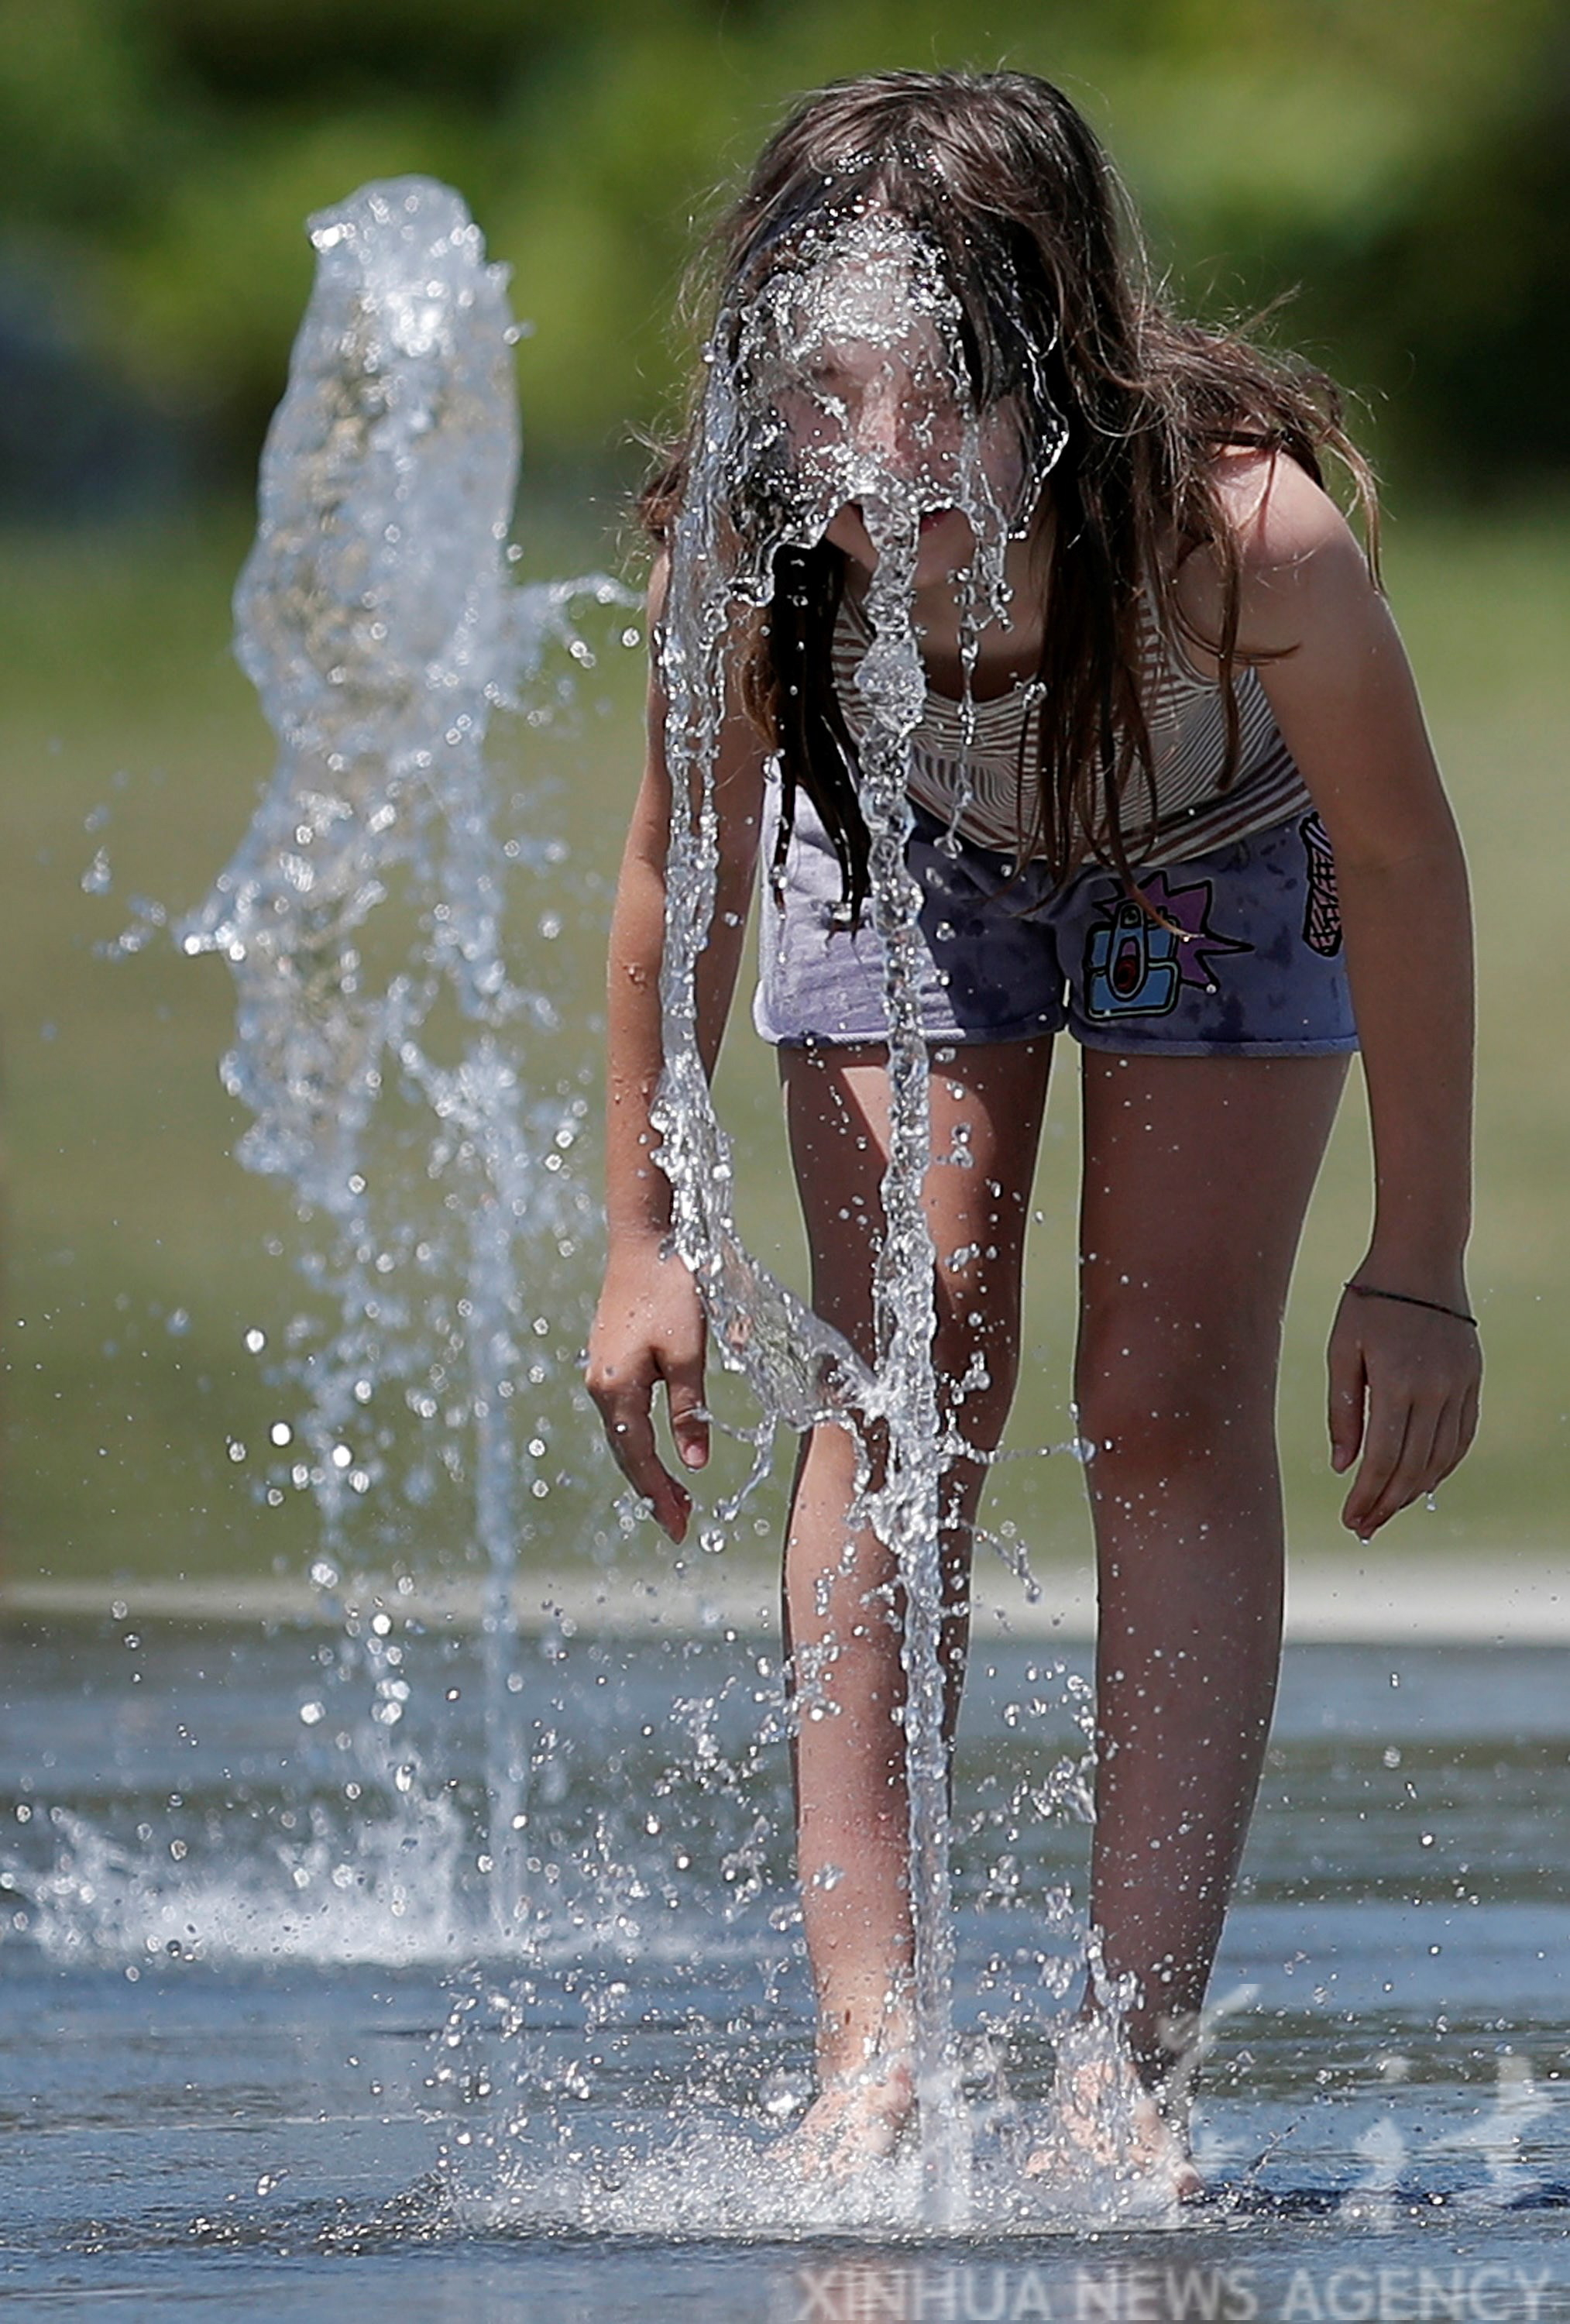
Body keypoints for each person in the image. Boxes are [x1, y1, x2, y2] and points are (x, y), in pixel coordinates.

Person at [585, 68, 1481, 2192]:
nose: (876, 465)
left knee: (1162, 1395)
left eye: (941, 399)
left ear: (1061, 372)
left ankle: (1121, 2067)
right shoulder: (753, 547)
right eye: (822, 392)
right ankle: (871, 2052)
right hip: (899, 830)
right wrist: (641, 1232)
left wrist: (1417, 1259)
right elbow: (669, 875)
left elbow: (1407, 865)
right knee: (904, 1374)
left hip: (1218, 852)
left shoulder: (1236, 537)